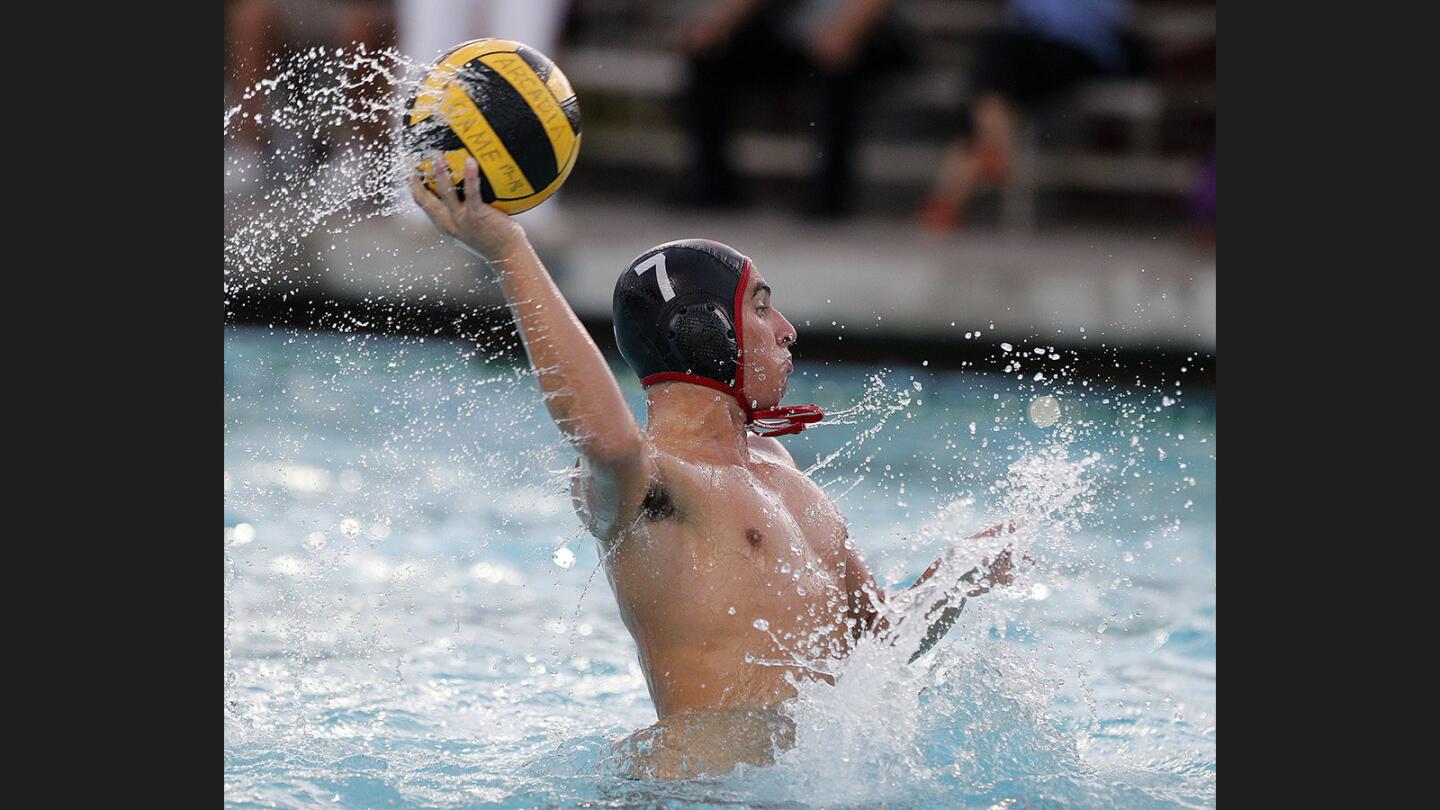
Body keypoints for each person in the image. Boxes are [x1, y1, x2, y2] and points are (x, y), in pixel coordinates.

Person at [408, 156, 1020, 778]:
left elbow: (873, 643)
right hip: (695, 793)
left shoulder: (779, 468)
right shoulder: (653, 484)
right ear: (704, 328)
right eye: (760, 309)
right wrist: (509, 251)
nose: (787, 330)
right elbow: (605, 439)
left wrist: (955, 581)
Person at [674, 0, 914, 218]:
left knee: (839, 72)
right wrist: (718, 23)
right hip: (801, 33)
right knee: (710, 58)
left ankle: (830, 195)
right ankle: (714, 185)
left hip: (871, 31)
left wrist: (847, 30)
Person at [918, 0, 1140, 231]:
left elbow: (1113, 18)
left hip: (1078, 45)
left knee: (992, 89)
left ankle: (955, 190)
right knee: (997, 71)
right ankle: (994, 140)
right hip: (1026, 47)